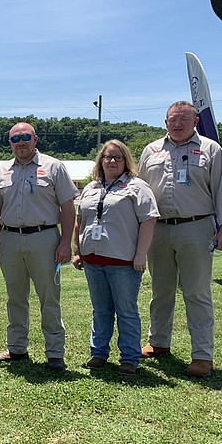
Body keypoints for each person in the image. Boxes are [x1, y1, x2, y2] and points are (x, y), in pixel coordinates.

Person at [138, 101, 222, 377]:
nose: (178, 124)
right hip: (158, 230)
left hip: (196, 227)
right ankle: (158, 342)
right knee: (161, 290)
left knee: (197, 292)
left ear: (195, 121)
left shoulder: (210, 149)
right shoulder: (152, 150)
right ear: (165, 122)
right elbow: (140, 190)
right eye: (173, 119)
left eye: (184, 119)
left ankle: (202, 355)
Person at [0, 122, 78, 371]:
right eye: (15, 139)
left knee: (49, 298)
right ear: (10, 143)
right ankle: (16, 348)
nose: (21, 142)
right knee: (15, 298)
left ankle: (55, 353)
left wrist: (65, 242)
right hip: (10, 239)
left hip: (44, 238)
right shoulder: (3, 170)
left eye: (25, 137)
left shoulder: (54, 166)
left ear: (35, 139)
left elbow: (68, 206)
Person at [72, 140, 160, 376]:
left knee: (126, 310)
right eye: (107, 157)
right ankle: (98, 353)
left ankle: (129, 358)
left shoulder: (137, 187)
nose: (112, 161)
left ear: (126, 161)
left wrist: (141, 254)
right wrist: (77, 250)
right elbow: (81, 220)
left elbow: (148, 221)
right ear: (100, 161)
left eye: (117, 158)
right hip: (93, 259)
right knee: (100, 310)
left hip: (123, 261)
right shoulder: (91, 188)